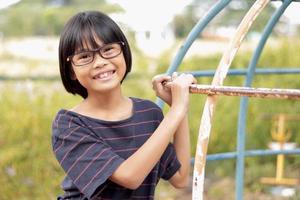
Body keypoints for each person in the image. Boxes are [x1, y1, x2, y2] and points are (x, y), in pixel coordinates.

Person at [51, 10, 196, 200]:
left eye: (108, 50)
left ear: (124, 51)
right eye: (85, 56)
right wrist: (176, 111)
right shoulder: (68, 125)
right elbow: (129, 176)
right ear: (71, 70)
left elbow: (180, 178)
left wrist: (178, 106)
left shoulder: (149, 113)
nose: (100, 62)